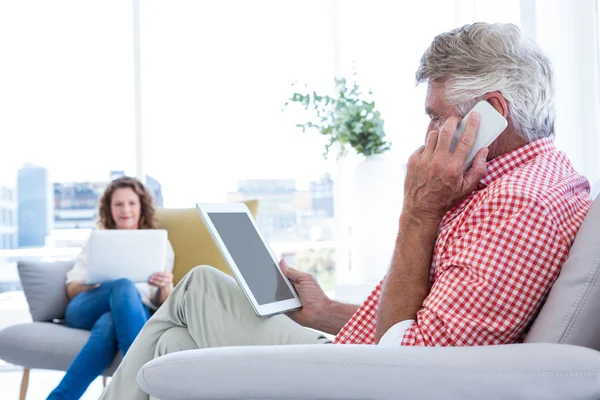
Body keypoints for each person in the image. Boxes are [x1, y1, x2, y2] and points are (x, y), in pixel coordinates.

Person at [100, 23, 592, 399]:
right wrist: (324, 311)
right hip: (358, 355)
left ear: (491, 114)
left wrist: (418, 211)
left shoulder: (514, 206)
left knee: (198, 288)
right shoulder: (538, 178)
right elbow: (433, 327)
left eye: (436, 117)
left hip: (354, 374)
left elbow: (405, 367)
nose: (428, 136)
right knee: (168, 351)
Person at [48, 177, 175, 400]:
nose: (125, 210)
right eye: (118, 204)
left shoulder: (159, 244)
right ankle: (142, 387)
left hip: (135, 311)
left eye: (131, 203)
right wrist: (95, 282)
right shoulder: (97, 240)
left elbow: (162, 302)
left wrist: (164, 286)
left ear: (141, 206)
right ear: (109, 208)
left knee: (109, 323)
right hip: (87, 306)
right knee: (123, 285)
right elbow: (71, 288)